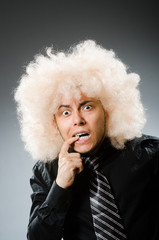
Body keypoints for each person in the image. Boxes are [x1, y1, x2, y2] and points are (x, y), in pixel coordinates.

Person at [14, 40, 159, 240]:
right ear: (54, 123)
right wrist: (60, 186)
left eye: (87, 107)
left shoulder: (149, 154)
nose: (78, 120)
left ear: (108, 109)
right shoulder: (47, 172)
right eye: (65, 112)